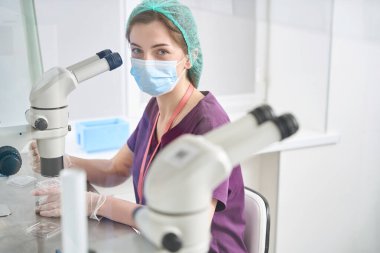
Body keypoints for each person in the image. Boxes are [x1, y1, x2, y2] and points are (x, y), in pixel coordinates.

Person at [30, 0, 248, 252]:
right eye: (137, 50)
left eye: (161, 51)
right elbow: (117, 168)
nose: (147, 61)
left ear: (189, 57)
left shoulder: (209, 124)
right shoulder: (156, 108)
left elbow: (187, 228)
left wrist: (95, 203)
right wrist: (63, 162)